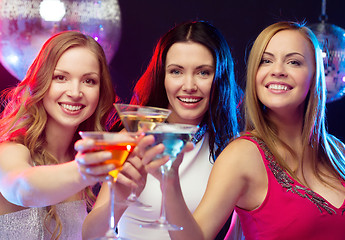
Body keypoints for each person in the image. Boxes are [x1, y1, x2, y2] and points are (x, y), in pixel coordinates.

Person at [139, 21, 345, 240]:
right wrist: (170, 181)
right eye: (266, 61)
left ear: (315, 76)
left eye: (294, 62)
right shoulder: (242, 154)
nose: (277, 71)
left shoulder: (335, 150)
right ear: (255, 74)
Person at [80, 20, 243, 239]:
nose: (189, 86)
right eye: (176, 71)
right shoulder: (134, 137)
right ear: (162, 76)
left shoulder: (229, 151)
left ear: (220, 78)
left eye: (203, 73)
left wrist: (170, 182)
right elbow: (90, 235)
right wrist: (118, 201)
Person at [0, 31, 117, 240]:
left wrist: (123, 194)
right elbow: (23, 189)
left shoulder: (74, 157)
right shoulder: (11, 148)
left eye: (89, 81)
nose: (75, 92)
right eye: (60, 77)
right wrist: (89, 169)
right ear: (40, 82)